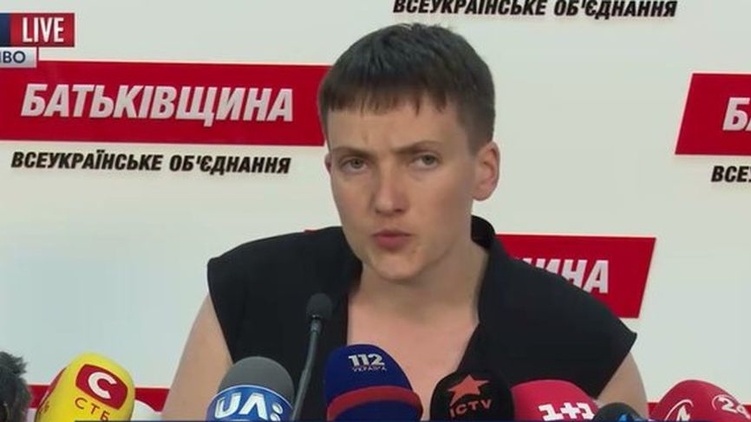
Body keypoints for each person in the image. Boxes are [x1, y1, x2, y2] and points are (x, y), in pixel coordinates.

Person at [161, 23, 648, 420]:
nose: (386, 199)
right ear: (330, 170)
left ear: (485, 170)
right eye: (356, 163)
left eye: (422, 160)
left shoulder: (583, 343)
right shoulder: (249, 293)